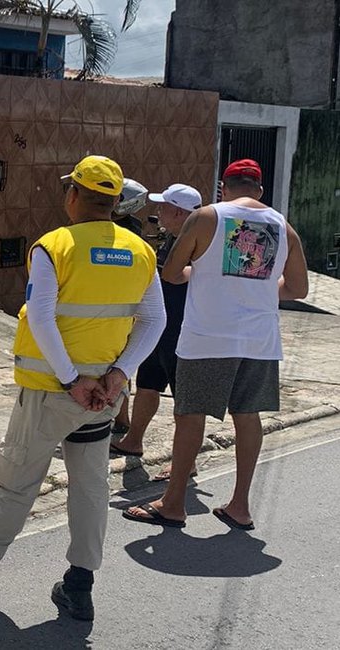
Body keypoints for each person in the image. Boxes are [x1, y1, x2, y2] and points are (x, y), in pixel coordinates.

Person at [0, 156, 165, 620]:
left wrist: (73, 380)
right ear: (115, 203)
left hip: (50, 392)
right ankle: (80, 585)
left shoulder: (53, 245)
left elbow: (41, 316)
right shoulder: (140, 251)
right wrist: (117, 376)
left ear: (74, 195)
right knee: (91, 487)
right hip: (101, 399)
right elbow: (154, 318)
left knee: (16, 481)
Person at [124, 159, 309, 530]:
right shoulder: (283, 227)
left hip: (208, 336)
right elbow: (298, 289)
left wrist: (201, 273)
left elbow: (172, 273)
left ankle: (174, 503)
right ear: (259, 191)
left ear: (223, 187)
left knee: (190, 414)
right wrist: (258, 286)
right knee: (247, 416)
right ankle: (240, 506)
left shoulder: (206, 217)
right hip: (259, 340)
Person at [110, 183, 204, 483]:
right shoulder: (171, 239)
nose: (158, 211)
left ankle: (185, 462)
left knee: (184, 402)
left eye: (163, 206)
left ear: (179, 212)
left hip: (184, 331)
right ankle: (134, 439)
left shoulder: (199, 243)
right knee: (148, 385)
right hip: (160, 327)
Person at [107, 178, 149, 436]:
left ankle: (121, 417)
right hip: (124, 303)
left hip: (116, 305)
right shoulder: (132, 226)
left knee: (117, 362)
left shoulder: (124, 229)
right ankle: (121, 417)